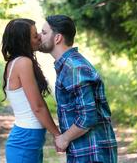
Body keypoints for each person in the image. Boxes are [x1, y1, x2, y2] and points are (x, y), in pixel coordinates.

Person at [39, 15, 118, 163]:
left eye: (44, 33)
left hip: (92, 152)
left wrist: (64, 138)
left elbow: (87, 116)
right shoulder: (68, 65)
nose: (39, 36)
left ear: (57, 38)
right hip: (84, 150)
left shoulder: (73, 68)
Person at [1, 18, 61, 163]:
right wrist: (57, 135)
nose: (40, 37)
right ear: (24, 41)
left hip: (28, 139)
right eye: (35, 36)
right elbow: (38, 106)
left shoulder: (17, 62)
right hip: (25, 141)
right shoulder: (23, 63)